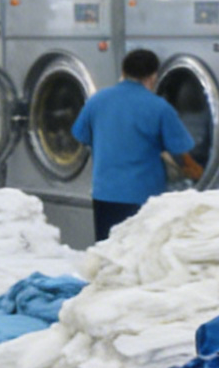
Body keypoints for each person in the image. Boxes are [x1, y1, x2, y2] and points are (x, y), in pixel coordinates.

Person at [71, 48, 206, 242]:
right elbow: (179, 150)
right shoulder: (159, 107)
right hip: (143, 197)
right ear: (153, 77)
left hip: (105, 193)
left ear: (123, 72)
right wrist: (196, 171)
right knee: (138, 253)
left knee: (108, 250)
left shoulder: (97, 100)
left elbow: (81, 136)